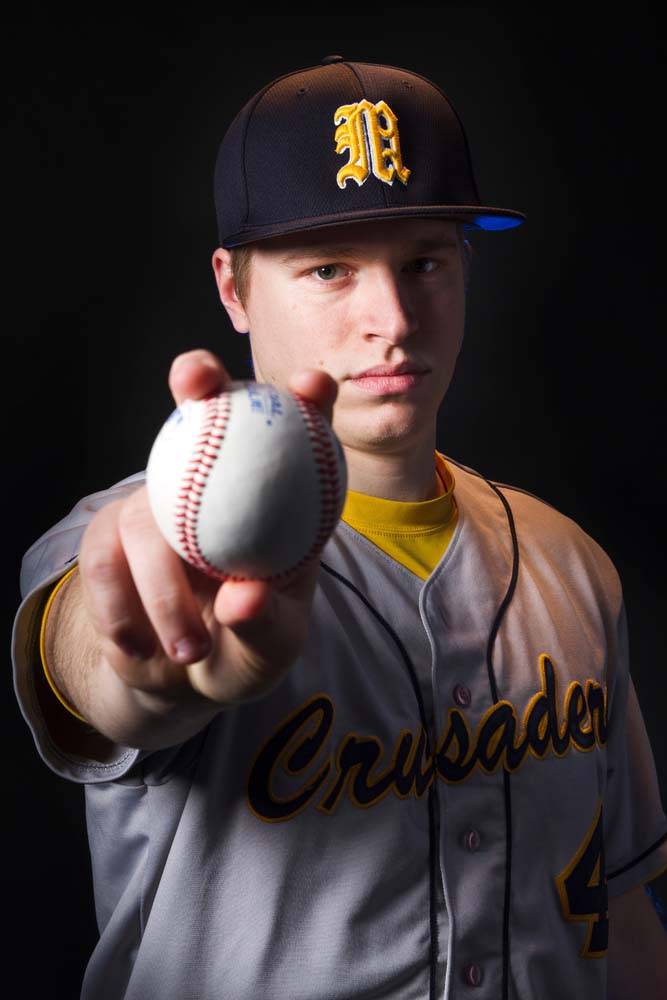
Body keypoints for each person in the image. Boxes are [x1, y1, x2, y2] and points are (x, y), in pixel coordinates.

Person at [12, 56, 667, 1000]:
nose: (392, 319)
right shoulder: (146, 539)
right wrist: (148, 675)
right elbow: (101, 663)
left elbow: (624, 913)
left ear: (466, 267)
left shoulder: (571, 562)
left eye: (424, 263)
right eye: (329, 268)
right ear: (233, 289)